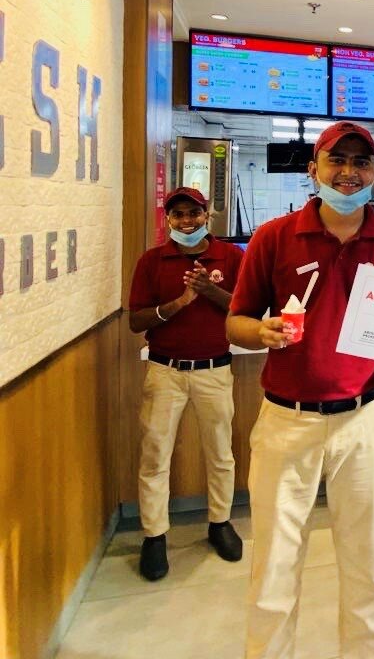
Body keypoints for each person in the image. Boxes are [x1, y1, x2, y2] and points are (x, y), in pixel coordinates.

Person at [226, 121, 374, 659]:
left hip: (366, 419)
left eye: (362, 163)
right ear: (314, 170)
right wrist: (260, 331)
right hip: (288, 422)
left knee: (366, 563)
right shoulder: (273, 238)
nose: (350, 172)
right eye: (339, 160)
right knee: (275, 568)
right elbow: (236, 321)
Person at [127, 187, 245, 581]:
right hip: (165, 373)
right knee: (155, 454)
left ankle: (220, 523)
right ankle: (154, 535)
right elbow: (136, 321)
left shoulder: (230, 257)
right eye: (178, 215)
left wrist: (210, 291)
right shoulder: (151, 261)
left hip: (215, 370)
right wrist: (178, 304)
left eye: (193, 213)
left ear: (207, 215)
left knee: (220, 452)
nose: (187, 221)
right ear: (168, 220)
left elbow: (248, 307)